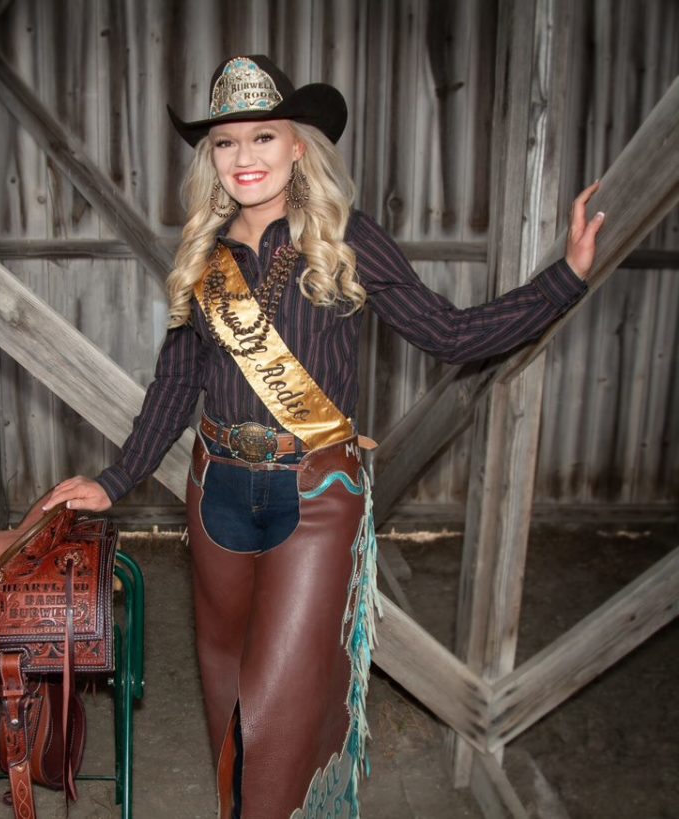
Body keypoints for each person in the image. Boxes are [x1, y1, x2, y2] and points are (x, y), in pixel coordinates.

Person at [43, 55, 603, 818]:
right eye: (226, 143)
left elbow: (452, 333)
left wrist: (563, 277)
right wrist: (113, 478)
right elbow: (176, 382)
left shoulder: (347, 239)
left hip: (317, 495)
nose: (244, 158)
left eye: (263, 138)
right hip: (215, 493)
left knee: (279, 703)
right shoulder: (204, 257)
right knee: (230, 695)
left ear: (298, 145)